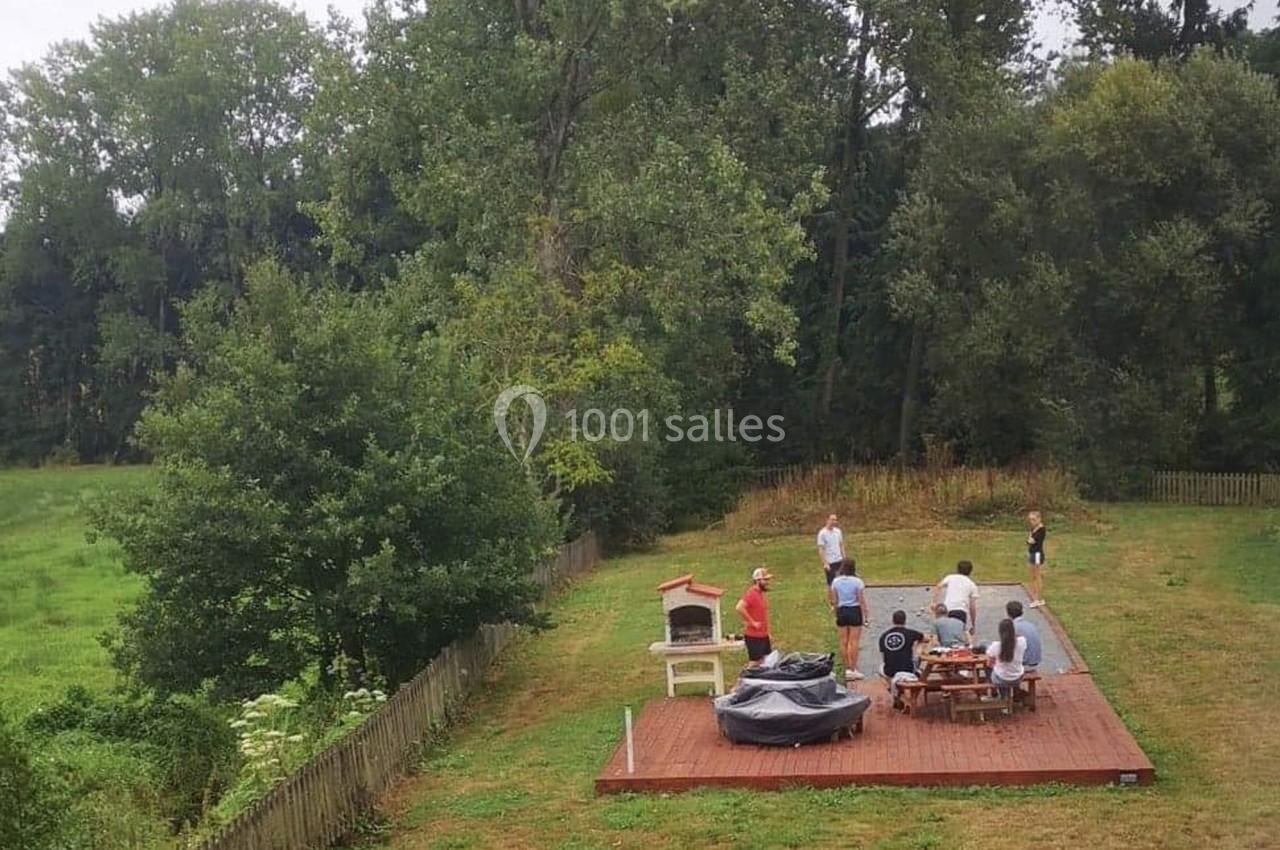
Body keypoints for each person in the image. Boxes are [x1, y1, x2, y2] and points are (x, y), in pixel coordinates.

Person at [828, 559, 870, 681]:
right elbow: (861, 600)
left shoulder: (835, 581)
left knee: (843, 641)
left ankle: (847, 668)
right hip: (854, 610)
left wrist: (836, 613)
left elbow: (835, 600)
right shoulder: (858, 582)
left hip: (842, 610)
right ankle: (853, 668)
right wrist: (866, 615)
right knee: (854, 641)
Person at [878, 610, 926, 709]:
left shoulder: (883, 636)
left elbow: (883, 657)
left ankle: (893, 690)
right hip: (908, 668)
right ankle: (903, 694)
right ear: (905, 621)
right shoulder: (910, 633)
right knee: (921, 643)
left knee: (880, 669)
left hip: (890, 670)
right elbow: (925, 638)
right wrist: (918, 645)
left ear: (892, 621)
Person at [735, 567, 774, 667]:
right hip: (754, 636)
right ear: (757, 580)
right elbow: (739, 607)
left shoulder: (760, 594)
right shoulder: (751, 593)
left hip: (763, 635)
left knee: (766, 661)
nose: (767, 582)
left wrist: (767, 633)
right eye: (765, 580)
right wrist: (752, 622)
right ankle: (742, 680)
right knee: (755, 662)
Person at [985, 618, 1028, 703]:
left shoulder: (996, 646)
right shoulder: (1022, 641)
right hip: (1018, 677)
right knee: (1008, 672)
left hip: (1001, 679)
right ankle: (1016, 695)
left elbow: (989, 664)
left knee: (989, 670)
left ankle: (999, 695)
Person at [929, 560, 979, 628]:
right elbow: (972, 607)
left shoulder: (950, 577)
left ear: (957, 569)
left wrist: (933, 602)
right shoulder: (972, 585)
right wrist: (973, 625)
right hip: (961, 612)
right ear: (970, 571)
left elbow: (938, 587)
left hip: (947, 610)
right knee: (959, 634)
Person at [1006, 600, 1042, 671]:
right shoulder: (1031, 625)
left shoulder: (1012, 627)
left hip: (1023, 664)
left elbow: (1007, 649)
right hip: (1035, 662)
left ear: (1008, 613)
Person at [816, 513, 845, 587]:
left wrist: (844, 558)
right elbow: (821, 549)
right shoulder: (822, 533)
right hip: (830, 562)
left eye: (835, 520)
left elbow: (841, 545)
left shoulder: (838, 531)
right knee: (831, 584)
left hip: (839, 560)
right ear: (827, 520)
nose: (834, 522)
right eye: (832, 520)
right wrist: (825, 563)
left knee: (841, 581)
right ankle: (831, 598)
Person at [1026, 511, 1047, 608]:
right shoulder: (1033, 529)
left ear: (1039, 519)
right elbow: (1028, 541)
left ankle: (1037, 599)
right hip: (1032, 552)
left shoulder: (1041, 529)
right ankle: (1037, 597)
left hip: (1037, 554)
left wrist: (1030, 540)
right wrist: (1029, 540)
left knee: (1037, 576)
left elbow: (1032, 541)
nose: (1032, 521)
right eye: (1030, 519)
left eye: (1034, 519)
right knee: (1032, 576)